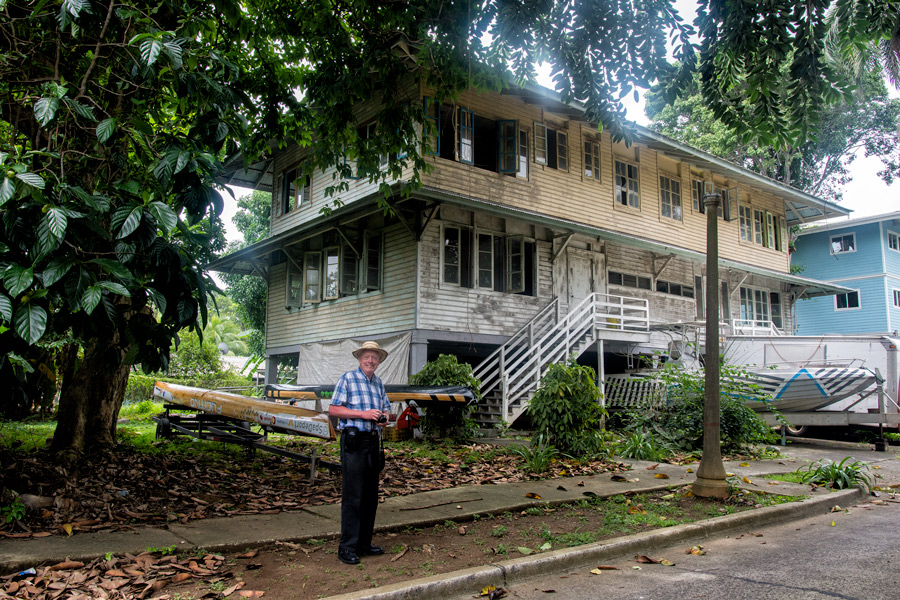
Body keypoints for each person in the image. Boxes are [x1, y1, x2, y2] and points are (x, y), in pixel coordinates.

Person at [328, 340, 392, 565]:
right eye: (367, 357)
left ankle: (364, 543)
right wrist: (364, 414)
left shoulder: (379, 383)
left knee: (370, 495)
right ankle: (347, 547)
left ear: (378, 361)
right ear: (359, 359)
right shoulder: (347, 379)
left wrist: (383, 418)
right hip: (354, 441)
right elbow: (334, 409)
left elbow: (386, 409)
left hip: (373, 442)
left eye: (374, 357)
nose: (371, 361)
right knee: (353, 495)